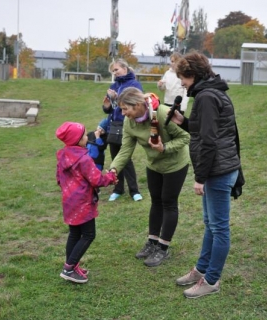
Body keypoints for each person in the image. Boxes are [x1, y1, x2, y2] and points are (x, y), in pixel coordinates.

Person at [171, 52, 241, 299]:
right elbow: (206, 130)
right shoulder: (211, 93)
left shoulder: (207, 97)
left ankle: (211, 280)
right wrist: (183, 121)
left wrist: (200, 177)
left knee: (219, 228)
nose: (181, 83)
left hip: (217, 171)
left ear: (192, 75)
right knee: (211, 225)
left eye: (183, 78)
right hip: (221, 167)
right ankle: (201, 269)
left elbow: (210, 141)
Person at [108, 88, 190, 267]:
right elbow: (126, 149)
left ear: (137, 105)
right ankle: (152, 242)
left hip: (175, 165)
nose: (122, 113)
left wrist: (165, 148)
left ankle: (163, 248)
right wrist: (114, 169)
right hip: (153, 165)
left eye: (125, 109)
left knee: (169, 203)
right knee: (156, 202)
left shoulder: (162, 113)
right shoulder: (129, 122)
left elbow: (186, 136)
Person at [56, 121, 117, 284]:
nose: (86, 136)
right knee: (89, 234)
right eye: (83, 135)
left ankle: (72, 265)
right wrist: (111, 177)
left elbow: (58, 178)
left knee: (75, 233)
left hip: (69, 201)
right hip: (83, 202)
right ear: (76, 139)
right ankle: (68, 268)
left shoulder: (63, 155)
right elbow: (97, 179)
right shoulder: (84, 159)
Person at [102, 59, 143, 202]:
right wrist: (107, 105)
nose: (115, 73)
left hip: (128, 124)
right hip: (114, 125)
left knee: (126, 158)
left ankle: (134, 190)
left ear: (125, 68)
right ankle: (118, 188)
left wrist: (117, 97)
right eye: (113, 71)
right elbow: (109, 109)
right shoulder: (113, 85)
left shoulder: (134, 84)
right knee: (115, 158)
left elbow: (137, 103)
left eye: (116, 70)